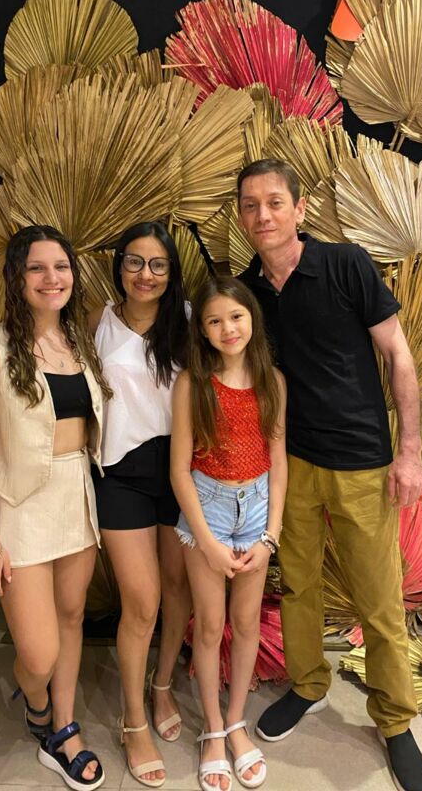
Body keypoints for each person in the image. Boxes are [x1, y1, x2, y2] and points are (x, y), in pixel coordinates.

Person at [237, 159, 422, 791]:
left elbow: (398, 354)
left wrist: (410, 451)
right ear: (240, 216)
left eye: (274, 202)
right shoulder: (247, 292)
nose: (263, 215)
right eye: (250, 205)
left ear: (298, 209)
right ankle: (307, 684)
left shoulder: (346, 265)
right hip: (290, 464)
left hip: (362, 462)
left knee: (379, 599)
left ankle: (395, 720)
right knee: (297, 585)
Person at [0, 225, 110, 791]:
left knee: (72, 618)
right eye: (38, 268)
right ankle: (37, 701)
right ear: (17, 278)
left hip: (77, 496)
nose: (52, 278)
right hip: (19, 505)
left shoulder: (79, 342)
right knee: (38, 652)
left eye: (61, 266)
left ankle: (63, 729)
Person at [171, 275, 287, 791]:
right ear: (202, 329)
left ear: (252, 318)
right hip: (208, 510)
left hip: (257, 510)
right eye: (214, 320)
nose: (227, 328)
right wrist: (207, 542)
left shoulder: (272, 382)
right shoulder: (192, 384)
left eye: (236, 316)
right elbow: (179, 470)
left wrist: (270, 536)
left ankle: (236, 720)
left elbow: (278, 460)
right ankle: (213, 729)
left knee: (245, 623)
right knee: (210, 624)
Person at [89, 221, 191, 788]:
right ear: (119, 265)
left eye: (157, 264)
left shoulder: (190, 322)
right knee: (143, 602)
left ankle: (162, 684)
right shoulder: (97, 323)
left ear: (171, 272)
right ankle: (133, 720)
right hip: (120, 475)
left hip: (181, 473)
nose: (145, 274)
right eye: (134, 261)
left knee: (178, 591)